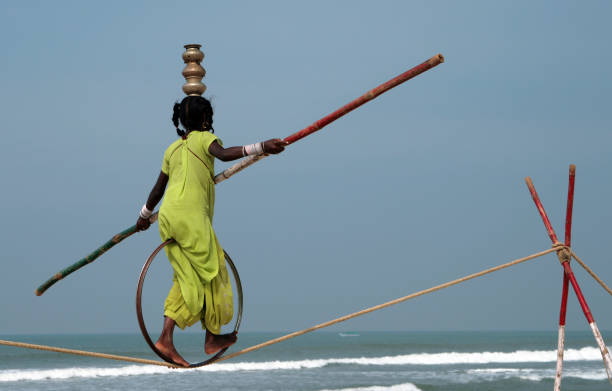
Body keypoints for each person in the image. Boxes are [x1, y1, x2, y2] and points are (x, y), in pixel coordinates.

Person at [136, 95, 287, 367]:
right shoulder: (205, 140)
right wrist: (261, 146)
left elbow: (158, 189)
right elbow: (225, 153)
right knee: (214, 269)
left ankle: (166, 339)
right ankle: (211, 336)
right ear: (206, 119)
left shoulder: (172, 149)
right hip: (192, 217)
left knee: (187, 274)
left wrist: (144, 215)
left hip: (169, 217)